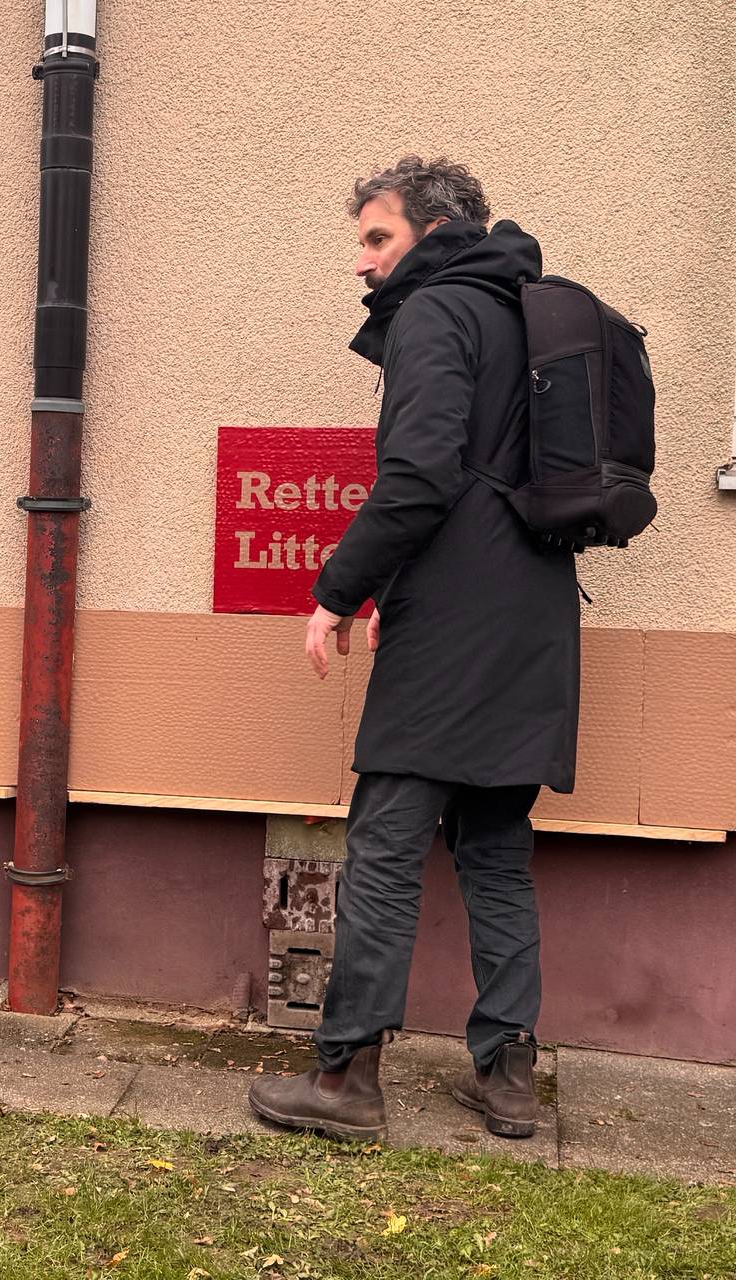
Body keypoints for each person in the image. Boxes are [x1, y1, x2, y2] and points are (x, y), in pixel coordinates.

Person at [248, 158, 580, 1141]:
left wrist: (336, 590)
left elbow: (421, 473)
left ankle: (344, 1077)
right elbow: (484, 473)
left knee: (386, 846)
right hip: (532, 615)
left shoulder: (436, 313)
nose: (361, 263)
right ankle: (508, 1072)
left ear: (431, 236)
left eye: (375, 239)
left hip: (454, 628)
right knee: (493, 847)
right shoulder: (524, 311)